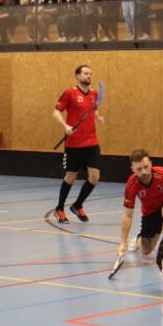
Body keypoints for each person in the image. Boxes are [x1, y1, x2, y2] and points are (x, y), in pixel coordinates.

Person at [52, 64, 103, 223]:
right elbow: (56, 112)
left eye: (90, 74)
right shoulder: (69, 93)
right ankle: (59, 208)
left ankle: (77, 205)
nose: (89, 76)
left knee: (94, 176)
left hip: (91, 142)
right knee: (71, 177)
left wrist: (98, 117)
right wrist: (65, 126)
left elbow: (93, 109)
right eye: (86, 73)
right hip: (74, 144)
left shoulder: (94, 94)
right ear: (77, 76)